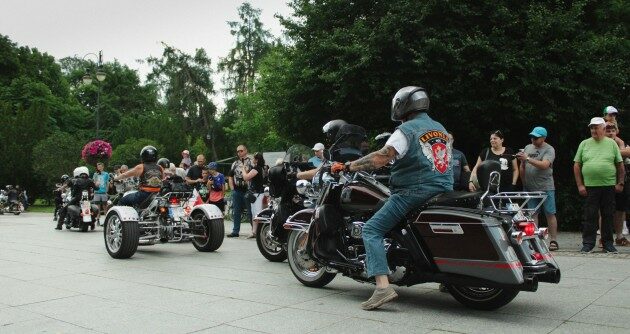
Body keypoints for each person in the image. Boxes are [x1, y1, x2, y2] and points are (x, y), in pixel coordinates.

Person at [331, 86, 453, 310]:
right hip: (443, 188)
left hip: (413, 191)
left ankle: (382, 288)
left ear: (402, 105)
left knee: (371, 229)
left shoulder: (405, 130)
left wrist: (348, 166)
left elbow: (380, 158)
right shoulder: (440, 129)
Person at [574, 117, 624, 254]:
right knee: (590, 215)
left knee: (608, 215)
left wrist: (620, 182)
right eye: (591, 128)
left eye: (596, 127)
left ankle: (608, 244)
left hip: (608, 185)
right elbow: (577, 165)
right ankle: (588, 244)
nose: (593, 130)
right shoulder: (584, 144)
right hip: (590, 186)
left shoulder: (611, 144)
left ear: (603, 129)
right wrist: (580, 185)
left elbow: (620, 165)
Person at [516, 126, 559, 250]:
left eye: (536, 137)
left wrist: (528, 158)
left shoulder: (549, 149)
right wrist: (524, 182)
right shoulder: (528, 148)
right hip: (530, 187)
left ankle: (553, 240)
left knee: (550, 213)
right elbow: (522, 165)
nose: (533, 139)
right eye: (532, 137)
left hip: (545, 187)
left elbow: (545, 165)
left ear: (543, 138)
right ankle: (533, 239)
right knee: (532, 214)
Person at [604, 122, 630, 246]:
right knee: (604, 210)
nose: (610, 133)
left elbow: (628, 153)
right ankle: (604, 237)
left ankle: (619, 236)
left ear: (616, 132)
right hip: (605, 181)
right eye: (608, 131)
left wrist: (619, 146)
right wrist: (620, 150)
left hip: (620, 181)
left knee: (620, 209)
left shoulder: (621, 143)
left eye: (612, 131)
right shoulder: (600, 144)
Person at [227, 144, 253, 237]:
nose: (239, 153)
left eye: (241, 151)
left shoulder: (251, 162)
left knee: (250, 212)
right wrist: (232, 189)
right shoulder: (235, 163)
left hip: (248, 190)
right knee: (236, 211)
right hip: (237, 190)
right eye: (238, 151)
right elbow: (230, 176)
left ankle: (254, 231)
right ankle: (235, 231)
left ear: (246, 151)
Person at [244, 152, 265, 238]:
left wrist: (243, 170)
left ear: (256, 160)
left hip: (257, 193)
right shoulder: (263, 167)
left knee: (257, 213)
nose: (252, 160)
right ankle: (254, 232)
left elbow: (246, 177)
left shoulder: (257, 168)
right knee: (255, 213)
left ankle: (258, 232)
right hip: (259, 193)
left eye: (253, 158)